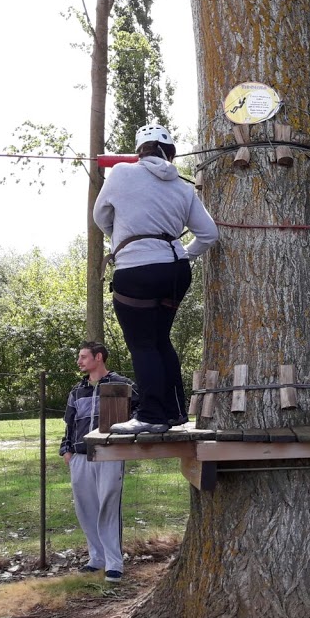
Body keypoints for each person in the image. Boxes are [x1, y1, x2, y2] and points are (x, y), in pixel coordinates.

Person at [94, 124, 219, 434]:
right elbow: (209, 234)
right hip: (175, 271)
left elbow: (101, 217)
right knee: (160, 340)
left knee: (143, 344)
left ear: (140, 151)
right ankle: (174, 413)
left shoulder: (122, 173)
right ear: (170, 153)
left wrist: (123, 237)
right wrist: (184, 253)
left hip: (136, 269)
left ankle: (151, 415)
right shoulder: (183, 187)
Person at [60, 342, 137, 583]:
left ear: (99, 357)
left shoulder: (123, 385)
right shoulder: (76, 391)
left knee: (109, 506)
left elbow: (140, 413)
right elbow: (69, 424)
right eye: (79, 357)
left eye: (83, 357)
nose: (79, 361)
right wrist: (66, 450)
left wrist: (124, 436)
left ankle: (115, 563)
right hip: (80, 456)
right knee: (86, 509)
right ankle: (97, 559)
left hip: (110, 454)